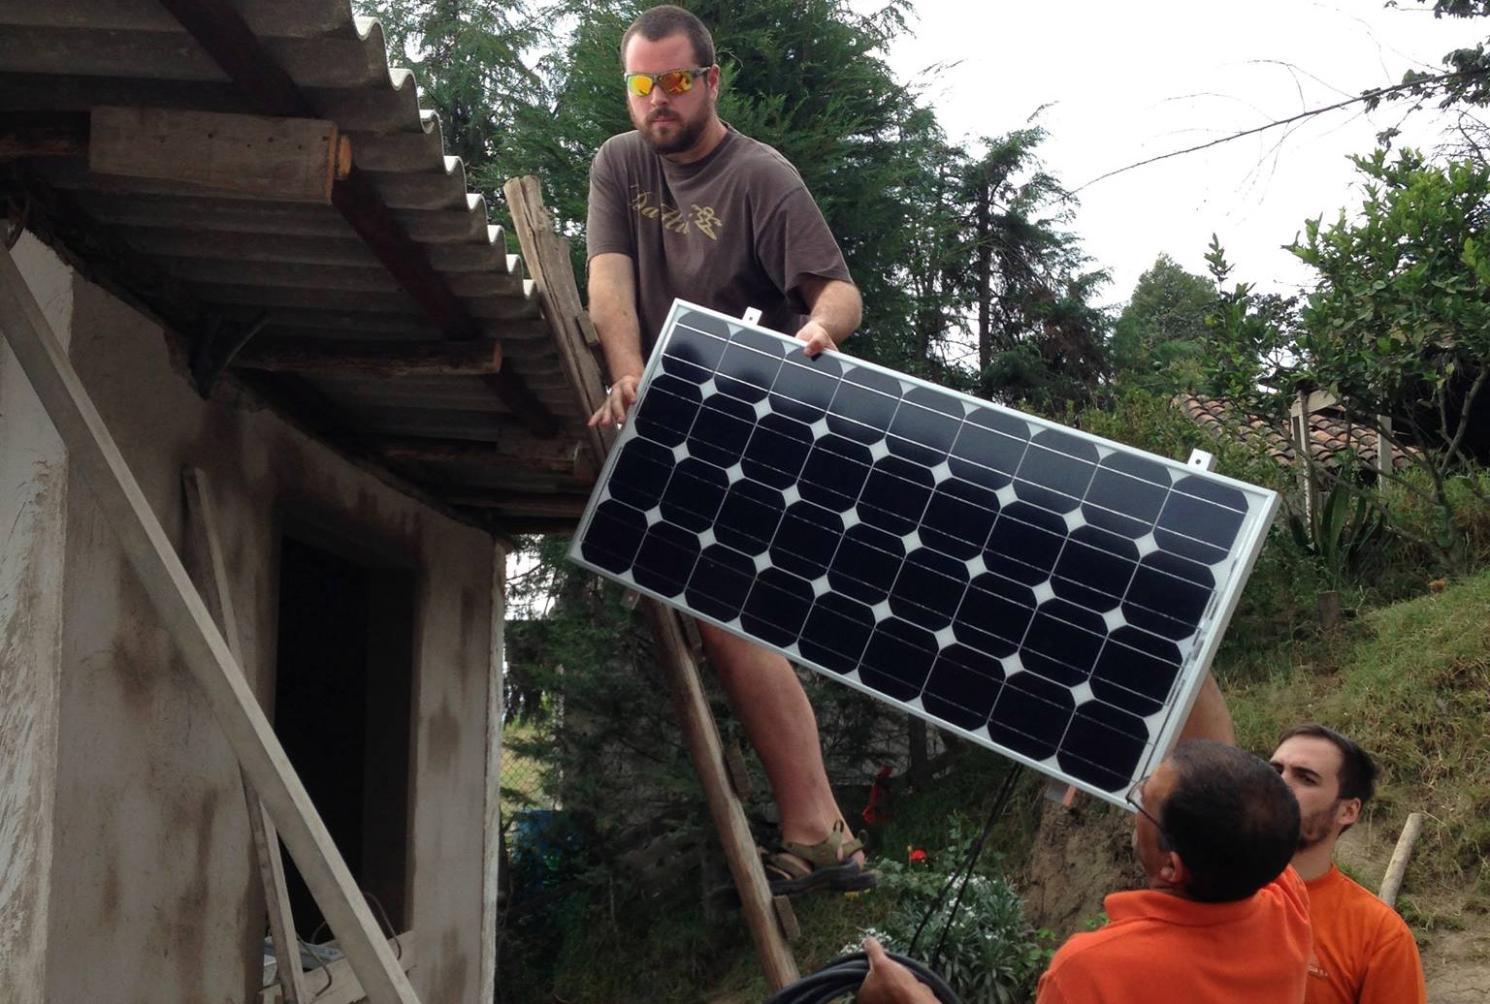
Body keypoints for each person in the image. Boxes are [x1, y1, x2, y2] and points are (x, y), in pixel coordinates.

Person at [584, 5, 868, 892]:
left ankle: (820, 830)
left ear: (710, 81)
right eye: (642, 84)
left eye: (674, 82)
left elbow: (840, 293)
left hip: (764, 409)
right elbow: (609, 284)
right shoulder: (618, 163)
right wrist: (627, 377)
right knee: (719, 608)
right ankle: (821, 831)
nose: (657, 101)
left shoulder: (761, 177)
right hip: (672, 408)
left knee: (722, 598)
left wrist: (819, 331)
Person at [859, 741, 1310, 1004]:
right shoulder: (1286, 907)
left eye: (1143, 801)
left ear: (1172, 867)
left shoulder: (1096, 972)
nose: (1134, 803)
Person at [1270, 724, 1426, 1004]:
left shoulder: (1379, 934)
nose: (1279, 784)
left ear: (1348, 810)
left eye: (1306, 778)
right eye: (1275, 771)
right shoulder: (1201, 880)